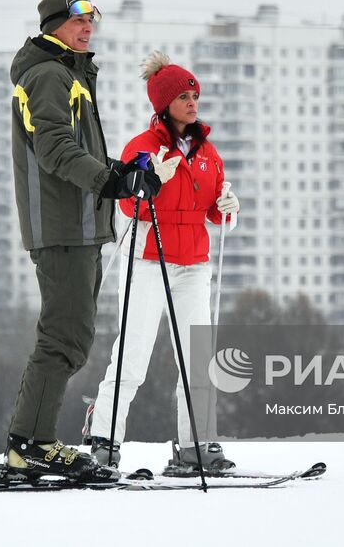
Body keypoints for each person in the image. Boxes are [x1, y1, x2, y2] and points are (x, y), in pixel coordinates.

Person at [0, 0, 175, 485]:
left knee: (69, 336)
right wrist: (110, 179)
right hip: (62, 228)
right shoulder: (48, 76)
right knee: (64, 337)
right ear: (53, 24)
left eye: (92, 19)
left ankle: (29, 443)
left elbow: (77, 152)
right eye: (78, 20)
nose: (87, 27)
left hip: (80, 225)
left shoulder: (69, 75)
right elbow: (54, 149)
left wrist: (125, 173)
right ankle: (30, 445)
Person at [83, 50, 242, 476]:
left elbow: (211, 208)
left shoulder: (208, 152)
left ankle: (196, 446)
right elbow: (127, 205)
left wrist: (227, 207)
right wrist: (151, 180)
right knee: (133, 354)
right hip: (149, 261)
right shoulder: (142, 147)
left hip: (193, 263)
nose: (193, 101)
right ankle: (103, 442)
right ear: (164, 103)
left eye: (195, 94)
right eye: (184, 95)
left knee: (198, 357)